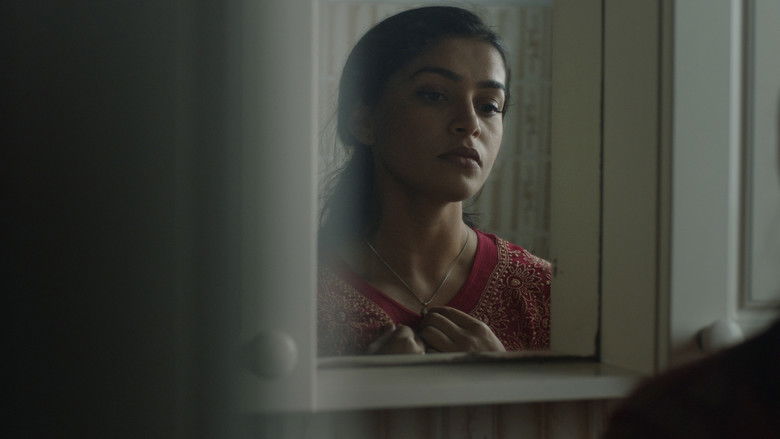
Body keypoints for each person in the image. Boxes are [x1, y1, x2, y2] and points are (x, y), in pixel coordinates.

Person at [317, 6, 550, 356]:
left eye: (489, 106)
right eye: (434, 95)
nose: (470, 123)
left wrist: (501, 376)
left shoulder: (541, 292)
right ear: (364, 120)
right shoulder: (293, 293)